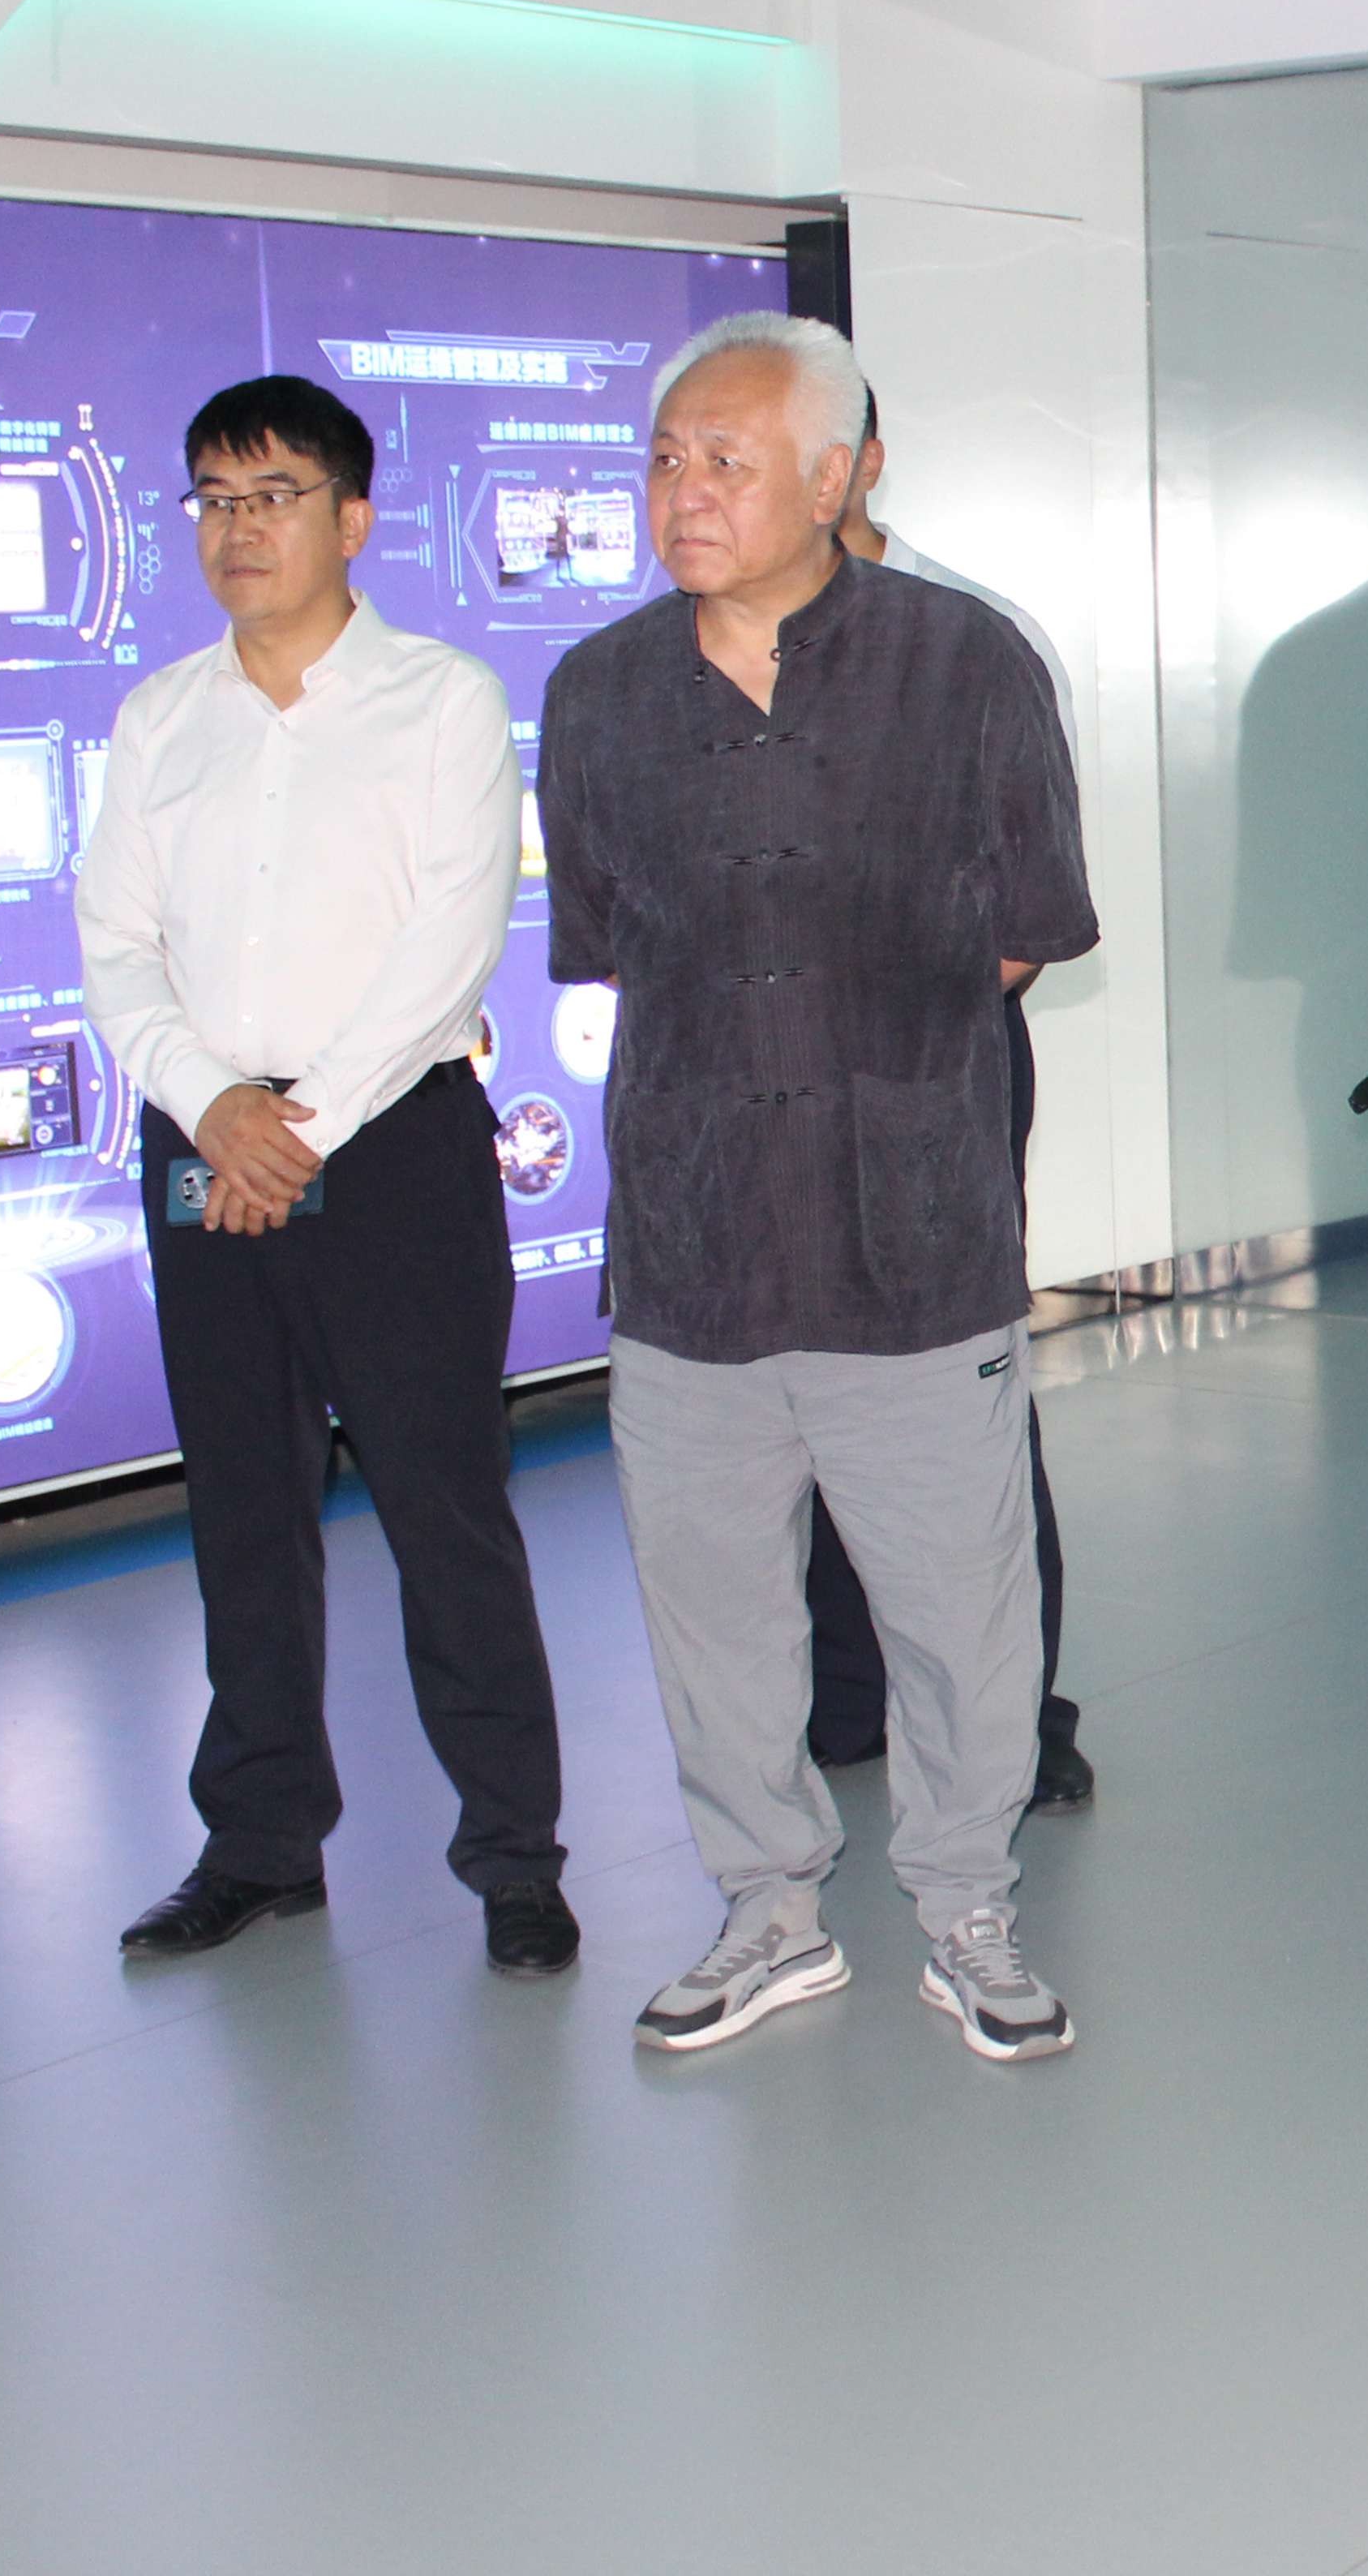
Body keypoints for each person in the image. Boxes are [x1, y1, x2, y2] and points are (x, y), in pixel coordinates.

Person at [542, 312, 1098, 2063]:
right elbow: (611, 940)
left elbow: (1027, 927)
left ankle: (967, 1908)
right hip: (692, 1234)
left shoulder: (965, 663)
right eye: (665, 458)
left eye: (727, 459)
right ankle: (767, 1911)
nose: (684, 492)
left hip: (908, 1234)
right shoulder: (598, 692)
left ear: (836, 475)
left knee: (956, 1613)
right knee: (711, 1616)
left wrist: (875, 1053)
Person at [75, 376, 576, 1979]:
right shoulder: (160, 717)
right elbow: (114, 944)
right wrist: (212, 1103)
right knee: (242, 1507)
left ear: (353, 519)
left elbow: (450, 941)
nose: (239, 529)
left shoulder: (439, 701)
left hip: (392, 1147)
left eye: (273, 496)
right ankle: (259, 1842)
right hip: (204, 1147)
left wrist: (297, 1124)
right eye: (213, 499)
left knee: (445, 1507)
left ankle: (513, 1858)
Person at [794, 393, 1090, 1810]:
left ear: (861, 462)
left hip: (937, 1061)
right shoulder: (692, 650)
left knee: (955, 1385)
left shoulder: (971, 635)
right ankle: (848, 1695)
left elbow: (1031, 898)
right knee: (791, 1385)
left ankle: (1015, 1715)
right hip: (755, 1082)